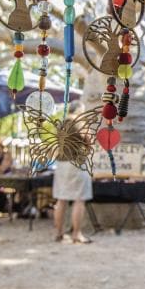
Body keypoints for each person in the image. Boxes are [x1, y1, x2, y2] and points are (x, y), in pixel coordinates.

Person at [52, 102, 93, 244]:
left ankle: (59, 233)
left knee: (61, 199)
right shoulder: (79, 122)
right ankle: (76, 234)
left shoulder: (61, 124)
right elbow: (89, 141)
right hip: (76, 163)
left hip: (61, 164)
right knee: (79, 200)